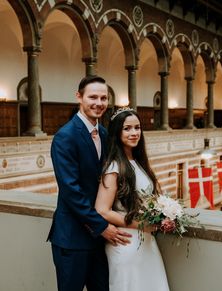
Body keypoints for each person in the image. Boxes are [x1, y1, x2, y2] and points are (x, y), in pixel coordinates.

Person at [47, 76, 131, 291]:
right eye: (93, 97)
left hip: (98, 242)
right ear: (79, 97)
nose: (99, 103)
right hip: (72, 239)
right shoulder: (65, 136)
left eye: (104, 98)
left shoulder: (104, 133)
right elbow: (71, 190)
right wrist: (102, 226)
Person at [95, 107, 170, 291]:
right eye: (127, 128)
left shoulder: (139, 162)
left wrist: (164, 215)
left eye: (137, 127)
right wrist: (140, 225)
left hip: (147, 242)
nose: (134, 133)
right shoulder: (114, 167)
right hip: (126, 243)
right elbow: (102, 210)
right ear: (117, 132)